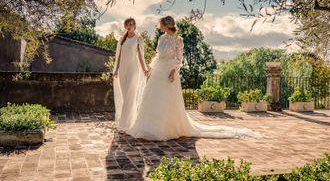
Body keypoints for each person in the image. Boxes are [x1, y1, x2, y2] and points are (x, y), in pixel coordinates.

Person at [127, 16, 264, 141]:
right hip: (158, 71)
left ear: (167, 25)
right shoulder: (161, 38)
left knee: (167, 100)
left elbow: (179, 59)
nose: (158, 26)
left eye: (160, 24)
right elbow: (158, 56)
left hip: (169, 71)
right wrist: (149, 69)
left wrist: (173, 72)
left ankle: (166, 128)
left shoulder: (178, 40)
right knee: (153, 98)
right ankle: (149, 127)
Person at [113, 18, 149, 132]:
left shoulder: (138, 39)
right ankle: (131, 122)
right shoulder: (121, 40)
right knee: (125, 97)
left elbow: (140, 56)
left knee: (130, 97)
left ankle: (125, 125)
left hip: (134, 70)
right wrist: (116, 70)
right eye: (127, 24)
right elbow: (118, 56)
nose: (129, 26)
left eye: (131, 24)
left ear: (135, 26)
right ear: (125, 26)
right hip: (123, 69)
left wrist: (144, 69)